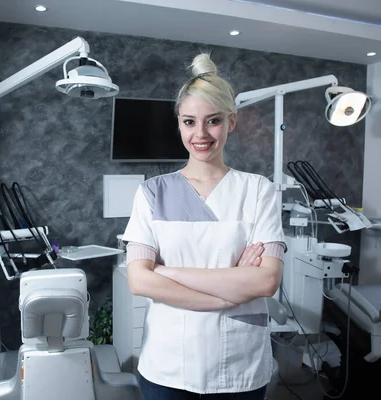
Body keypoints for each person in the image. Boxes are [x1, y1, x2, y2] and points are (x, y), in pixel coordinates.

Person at [122, 53, 286, 399]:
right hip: (167, 365)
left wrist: (166, 273)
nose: (200, 134)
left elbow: (267, 280)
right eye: (189, 122)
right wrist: (228, 297)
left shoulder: (258, 190)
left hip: (238, 364)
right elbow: (138, 280)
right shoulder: (152, 192)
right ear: (179, 124)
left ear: (232, 122)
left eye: (213, 121)